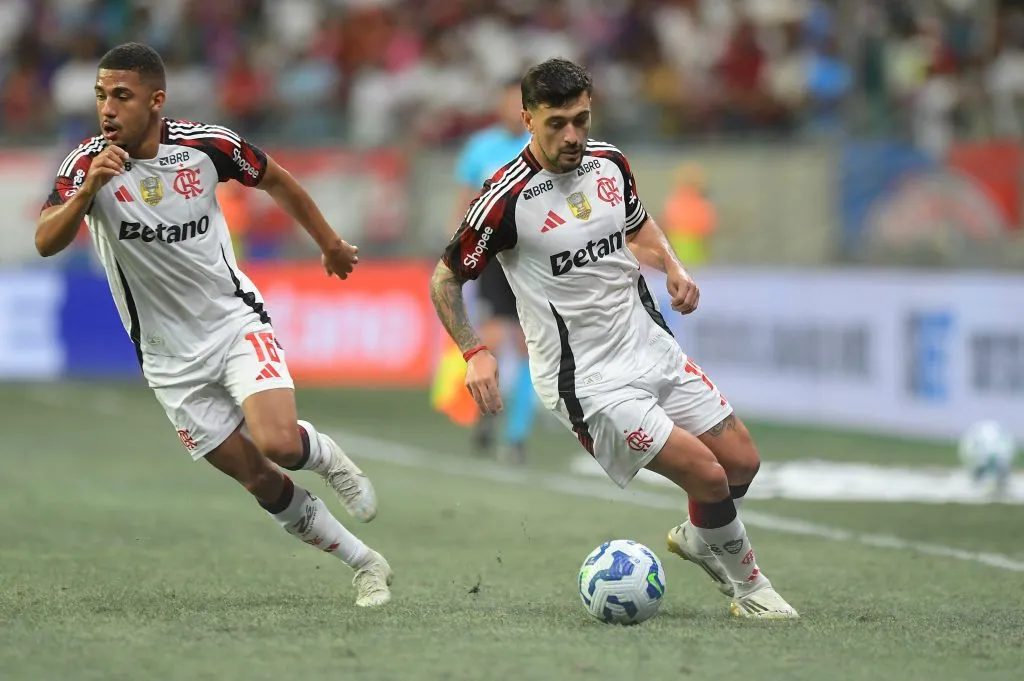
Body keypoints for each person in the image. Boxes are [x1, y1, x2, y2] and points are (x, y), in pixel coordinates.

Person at [429, 58, 798, 619]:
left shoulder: (610, 164)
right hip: (587, 380)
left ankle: (703, 538)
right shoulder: (505, 200)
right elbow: (445, 277)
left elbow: (638, 224)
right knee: (706, 473)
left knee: (742, 462)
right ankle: (751, 589)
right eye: (557, 123)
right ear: (528, 119)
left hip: (648, 344)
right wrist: (475, 352)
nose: (572, 135)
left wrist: (672, 265)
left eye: (581, 119)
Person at [34, 43, 393, 608]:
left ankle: (326, 458)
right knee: (258, 479)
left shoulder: (205, 147)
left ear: (156, 101)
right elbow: (44, 242)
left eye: (121, 96)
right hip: (166, 358)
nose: (107, 108)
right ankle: (364, 563)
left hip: (231, 323)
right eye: (101, 95)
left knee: (278, 441)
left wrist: (328, 243)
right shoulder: (84, 167)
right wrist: (87, 193)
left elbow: (278, 180)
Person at [451, 78, 536, 464]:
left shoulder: (541, 147)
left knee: (528, 346)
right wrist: (458, 249)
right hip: (493, 256)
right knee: (495, 339)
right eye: (507, 103)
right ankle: (488, 414)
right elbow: (464, 201)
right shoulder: (481, 146)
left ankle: (516, 438)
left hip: (534, 259)